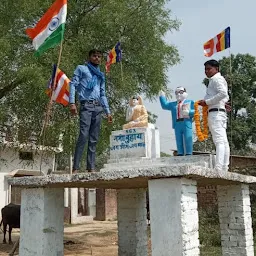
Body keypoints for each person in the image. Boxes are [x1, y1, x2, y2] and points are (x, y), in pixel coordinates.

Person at [69, 49, 112, 173]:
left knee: (94, 138)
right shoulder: (81, 69)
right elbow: (73, 85)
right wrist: (72, 102)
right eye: (94, 56)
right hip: (86, 105)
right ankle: (76, 167)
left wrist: (107, 111)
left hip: (98, 107)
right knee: (83, 135)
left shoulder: (100, 75)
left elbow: (103, 93)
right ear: (89, 57)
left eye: (99, 56)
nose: (97, 58)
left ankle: (91, 167)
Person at [198, 59, 230, 172]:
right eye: (205, 69)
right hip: (219, 111)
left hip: (216, 113)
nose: (206, 71)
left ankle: (219, 167)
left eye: (209, 69)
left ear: (216, 69)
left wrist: (207, 102)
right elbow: (225, 97)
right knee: (223, 141)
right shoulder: (216, 80)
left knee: (219, 141)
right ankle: (224, 167)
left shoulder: (216, 79)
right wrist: (222, 103)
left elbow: (223, 93)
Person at [159, 87, 194, 156]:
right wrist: (162, 96)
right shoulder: (173, 104)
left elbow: (195, 112)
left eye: (181, 92)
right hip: (177, 124)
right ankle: (180, 153)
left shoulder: (190, 102)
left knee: (188, 139)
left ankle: (189, 153)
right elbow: (164, 105)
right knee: (178, 140)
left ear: (185, 93)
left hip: (186, 123)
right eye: (176, 93)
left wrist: (189, 112)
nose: (178, 94)